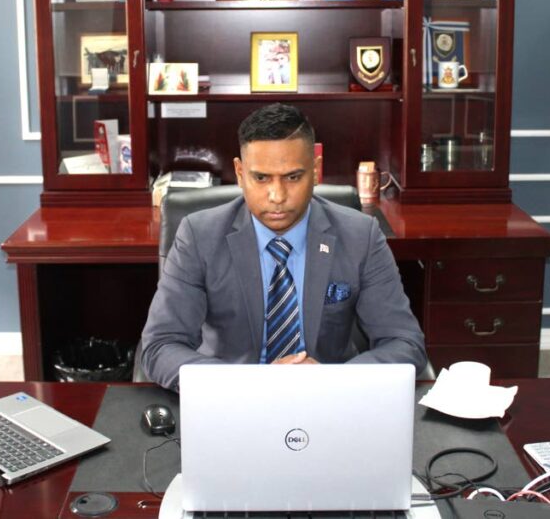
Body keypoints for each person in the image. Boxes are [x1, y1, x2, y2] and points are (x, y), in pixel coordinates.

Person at [139, 103, 427, 390]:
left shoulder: (361, 236)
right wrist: (254, 385)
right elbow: (161, 346)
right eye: (261, 178)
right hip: (233, 401)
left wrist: (333, 382)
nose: (277, 196)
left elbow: (404, 343)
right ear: (240, 173)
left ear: (315, 171)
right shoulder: (199, 236)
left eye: (292, 177)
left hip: (329, 400)